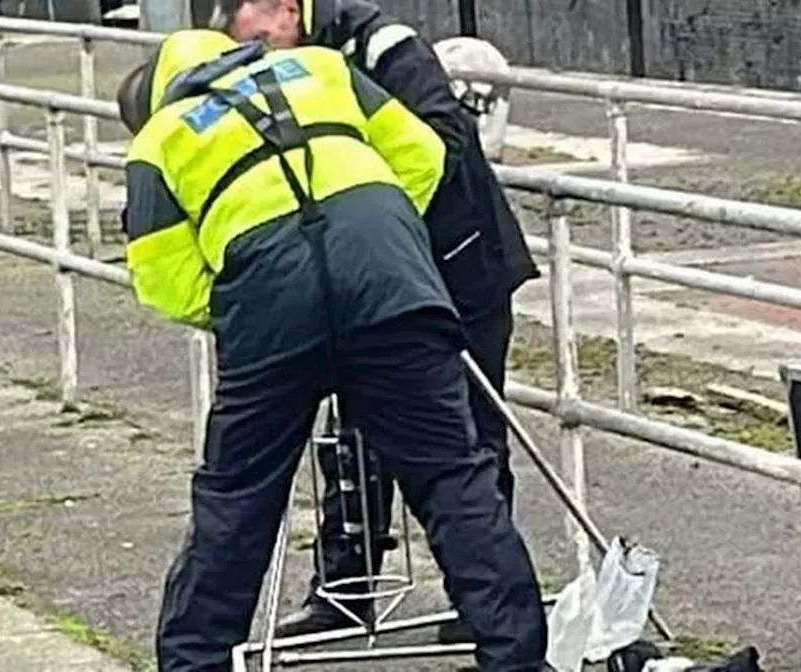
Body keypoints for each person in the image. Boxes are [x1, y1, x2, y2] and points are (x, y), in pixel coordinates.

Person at [116, 28, 548, 672]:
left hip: (268, 311)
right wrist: (390, 244)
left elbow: (163, 278)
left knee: (236, 497)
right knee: (453, 476)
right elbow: (425, 156)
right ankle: (515, 657)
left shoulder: (159, 140)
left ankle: (193, 662)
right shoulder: (323, 69)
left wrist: (244, 303)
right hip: (392, 290)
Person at [216, 0, 541, 643]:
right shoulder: (298, 64)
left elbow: (445, 142)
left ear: (288, 9)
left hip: (457, 263)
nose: (261, 59)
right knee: (351, 438)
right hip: (364, 283)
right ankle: (345, 589)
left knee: (470, 443)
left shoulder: (382, 47)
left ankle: (482, 606)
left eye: (261, 40)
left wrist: (365, 209)